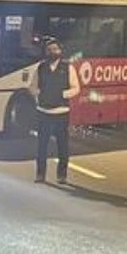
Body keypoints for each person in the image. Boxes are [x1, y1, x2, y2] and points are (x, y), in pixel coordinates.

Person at [31, 36, 81, 184]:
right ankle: (40, 174)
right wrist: (37, 94)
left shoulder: (68, 68)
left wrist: (62, 94)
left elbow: (76, 88)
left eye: (55, 49)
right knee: (42, 145)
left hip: (61, 112)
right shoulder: (41, 67)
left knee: (62, 145)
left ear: (60, 51)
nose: (53, 52)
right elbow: (33, 86)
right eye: (50, 50)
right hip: (43, 111)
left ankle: (62, 175)